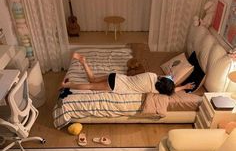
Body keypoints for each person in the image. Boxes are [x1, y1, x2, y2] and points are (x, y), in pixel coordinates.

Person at [60, 53, 195, 95]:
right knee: (90, 86)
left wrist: (173, 79)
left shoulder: (152, 75)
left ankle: (83, 62)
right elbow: (171, 91)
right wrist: (184, 87)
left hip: (116, 76)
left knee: (93, 79)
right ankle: (67, 85)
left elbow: (167, 81)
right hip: (115, 85)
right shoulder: (153, 90)